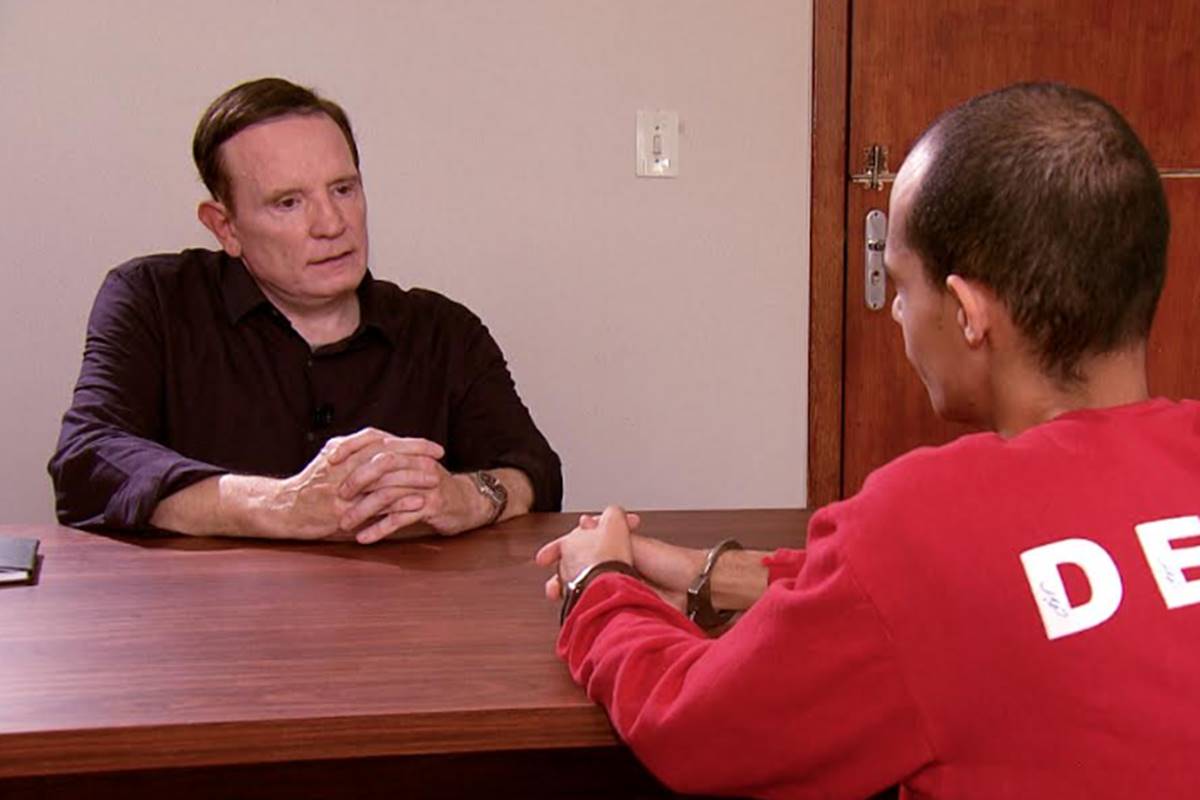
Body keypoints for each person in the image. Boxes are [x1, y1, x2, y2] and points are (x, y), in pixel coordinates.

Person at [536, 83, 1199, 798]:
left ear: (968, 312)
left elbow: (694, 726)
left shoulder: (930, 521)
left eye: (902, 286)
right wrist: (714, 574)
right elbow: (972, 592)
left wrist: (598, 586)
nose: (897, 314)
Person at [49, 77, 562, 543]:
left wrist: (469, 497)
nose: (332, 224)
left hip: (400, 612)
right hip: (207, 612)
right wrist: (280, 506)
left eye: (343, 189)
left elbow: (533, 470)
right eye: (288, 202)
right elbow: (88, 459)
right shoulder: (153, 299)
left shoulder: (443, 330)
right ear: (225, 227)